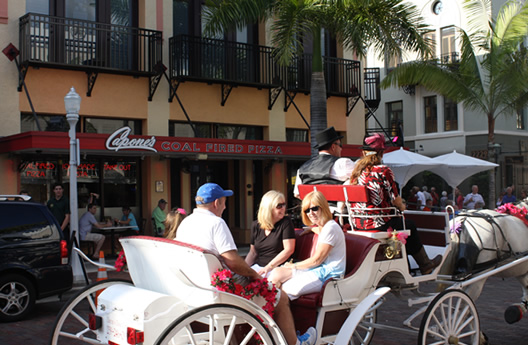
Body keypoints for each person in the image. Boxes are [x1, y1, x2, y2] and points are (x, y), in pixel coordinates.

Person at [176, 183, 317, 345]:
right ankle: (295, 343)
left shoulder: (186, 223)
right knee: (281, 297)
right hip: (223, 291)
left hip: (196, 289)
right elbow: (233, 261)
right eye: (224, 201)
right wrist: (253, 275)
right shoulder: (216, 223)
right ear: (217, 203)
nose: (225, 206)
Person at [348, 133, 442, 275]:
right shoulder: (383, 170)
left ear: (363, 152)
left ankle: (407, 265)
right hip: (379, 223)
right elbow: (395, 199)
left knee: (402, 225)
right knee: (409, 225)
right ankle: (425, 264)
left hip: (358, 223)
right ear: (381, 152)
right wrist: (402, 207)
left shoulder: (355, 173)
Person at [268, 191, 345, 300]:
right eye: (307, 210)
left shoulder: (331, 228)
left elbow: (316, 260)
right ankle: (267, 308)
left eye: (314, 209)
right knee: (277, 273)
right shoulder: (325, 227)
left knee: (286, 289)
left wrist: (293, 266)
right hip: (319, 269)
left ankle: (276, 311)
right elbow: (321, 231)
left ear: (323, 207)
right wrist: (311, 229)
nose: (311, 213)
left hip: (329, 275)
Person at [293, 127, 354, 199]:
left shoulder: (302, 168)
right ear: (333, 147)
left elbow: (297, 194)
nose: (341, 148)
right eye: (340, 145)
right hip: (336, 209)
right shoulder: (343, 163)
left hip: (313, 208)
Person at [245, 191, 296, 278]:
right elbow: (253, 253)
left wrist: (268, 267)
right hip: (259, 267)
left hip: (278, 268)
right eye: (279, 206)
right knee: (238, 280)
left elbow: (289, 250)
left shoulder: (286, 222)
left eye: (284, 204)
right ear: (268, 208)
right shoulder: (256, 225)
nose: (283, 208)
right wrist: (243, 268)